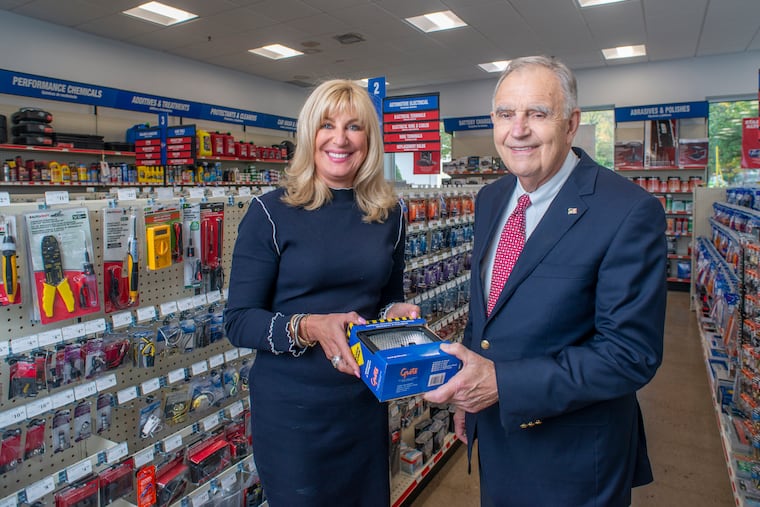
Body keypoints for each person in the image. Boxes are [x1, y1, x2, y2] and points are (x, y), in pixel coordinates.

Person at [424, 55, 667, 507]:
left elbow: (630, 355)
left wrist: (504, 385)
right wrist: (468, 394)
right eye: (504, 114)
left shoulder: (628, 211)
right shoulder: (492, 198)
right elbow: (488, 311)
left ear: (571, 124)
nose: (518, 130)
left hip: (573, 456)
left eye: (537, 113)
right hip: (495, 431)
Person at [224, 79, 419, 507]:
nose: (340, 138)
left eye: (354, 126)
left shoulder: (389, 214)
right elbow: (238, 321)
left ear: (369, 138)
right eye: (327, 124)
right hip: (293, 413)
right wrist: (313, 326)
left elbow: (385, 297)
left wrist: (396, 312)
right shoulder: (270, 212)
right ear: (309, 133)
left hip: (363, 400)